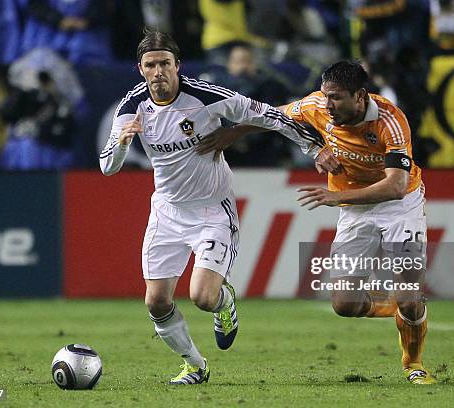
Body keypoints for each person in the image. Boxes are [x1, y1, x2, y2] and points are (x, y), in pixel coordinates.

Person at [99, 30, 327, 385]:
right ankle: (194, 365)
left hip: (211, 210)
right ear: (140, 69)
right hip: (167, 211)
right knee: (156, 302)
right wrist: (123, 143)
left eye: (164, 63)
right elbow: (107, 167)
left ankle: (224, 302)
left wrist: (314, 149)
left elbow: (267, 115)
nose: (158, 71)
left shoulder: (207, 97)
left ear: (178, 65)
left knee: (202, 297)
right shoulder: (131, 108)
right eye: (150, 65)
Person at [198, 59, 436, 385]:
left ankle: (415, 365)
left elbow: (395, 186)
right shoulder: (316, 106)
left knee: (409, 293)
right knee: (345, 304)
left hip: (400, 206)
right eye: (325, 95)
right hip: (355, 210)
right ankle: (405, 310)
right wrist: (235, 132)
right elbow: (273, 116)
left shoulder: (390, 121)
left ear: (360, 96)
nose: (327, 104)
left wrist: (335, 197)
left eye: (336, 97)